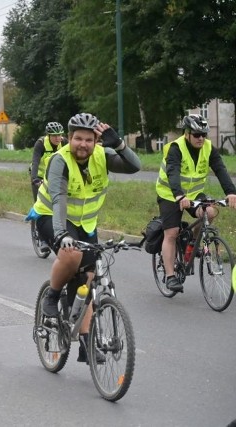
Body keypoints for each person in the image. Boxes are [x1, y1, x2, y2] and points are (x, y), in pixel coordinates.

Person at [30, 113, 140, 364]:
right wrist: (61, 235)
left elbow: (135, 167)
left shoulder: (102, 155)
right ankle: (52, 296)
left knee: (86, 280)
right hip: (52, 217)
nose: (83, 144)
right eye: (78, 138)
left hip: (86, 223)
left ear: (95, 140)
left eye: (89, 139)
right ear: (69, 139)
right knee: (71, 255)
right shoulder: (60, 160)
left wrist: (119, 145)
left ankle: (85, 342)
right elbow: (58, 200)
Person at [155, 114, 236, 293]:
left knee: (210, 212)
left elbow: (220, 169)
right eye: (197, 134)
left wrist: (231, 192)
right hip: (170, 194)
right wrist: (178, 195)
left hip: (194, 194)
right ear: (187, 133)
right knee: (172, 233)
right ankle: (170, 276)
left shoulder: (208, 148)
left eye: (204, 134)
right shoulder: (175, 148)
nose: (201, 138)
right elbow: (173, 172)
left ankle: (192, 243)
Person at [29, 122, 66, 253]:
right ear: (48, 135)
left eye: (60, 135)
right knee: (41, 206)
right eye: (54, 135)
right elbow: (35, 161)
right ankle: (42, 239)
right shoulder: (41, 144)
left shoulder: (64, 142)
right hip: (39, 177)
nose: (58, 138)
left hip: (56, 178)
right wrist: (34, 179)